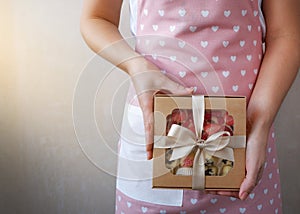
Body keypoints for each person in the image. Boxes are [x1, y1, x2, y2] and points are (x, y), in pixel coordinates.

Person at [80, 0, 299, 213]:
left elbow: (285, 35)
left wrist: (258, 125)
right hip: (153, 144)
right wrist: (136, 66)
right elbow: (96, 17)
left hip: (246, 146)